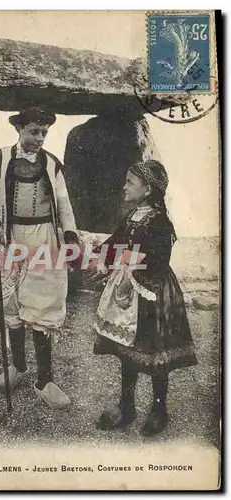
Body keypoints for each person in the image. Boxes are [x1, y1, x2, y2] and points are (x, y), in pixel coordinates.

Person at [0, 107, 79, 409]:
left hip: (44, 239)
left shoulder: (52, 164)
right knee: (11, 301)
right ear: (19, 130)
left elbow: (64, 203)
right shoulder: (1, 159)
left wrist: (69, 234)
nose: (40, 137)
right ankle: (16, 366)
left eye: (44, 132)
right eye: (34, 131)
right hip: (8, 237)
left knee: (43, 304)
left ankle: (45, 381)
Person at [91, 159, 198, 436]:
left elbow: (158, 260)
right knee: (128, 349)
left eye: (130, 182)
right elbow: (116, 241)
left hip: (152, 291)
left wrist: (128, 276)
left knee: (154, 353)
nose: (124, 187)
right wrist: (100, 257)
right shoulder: (132, 215)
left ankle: (159, 409)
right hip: (128, 286)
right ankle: (127, 407)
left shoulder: (160, 222)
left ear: (148, 189)